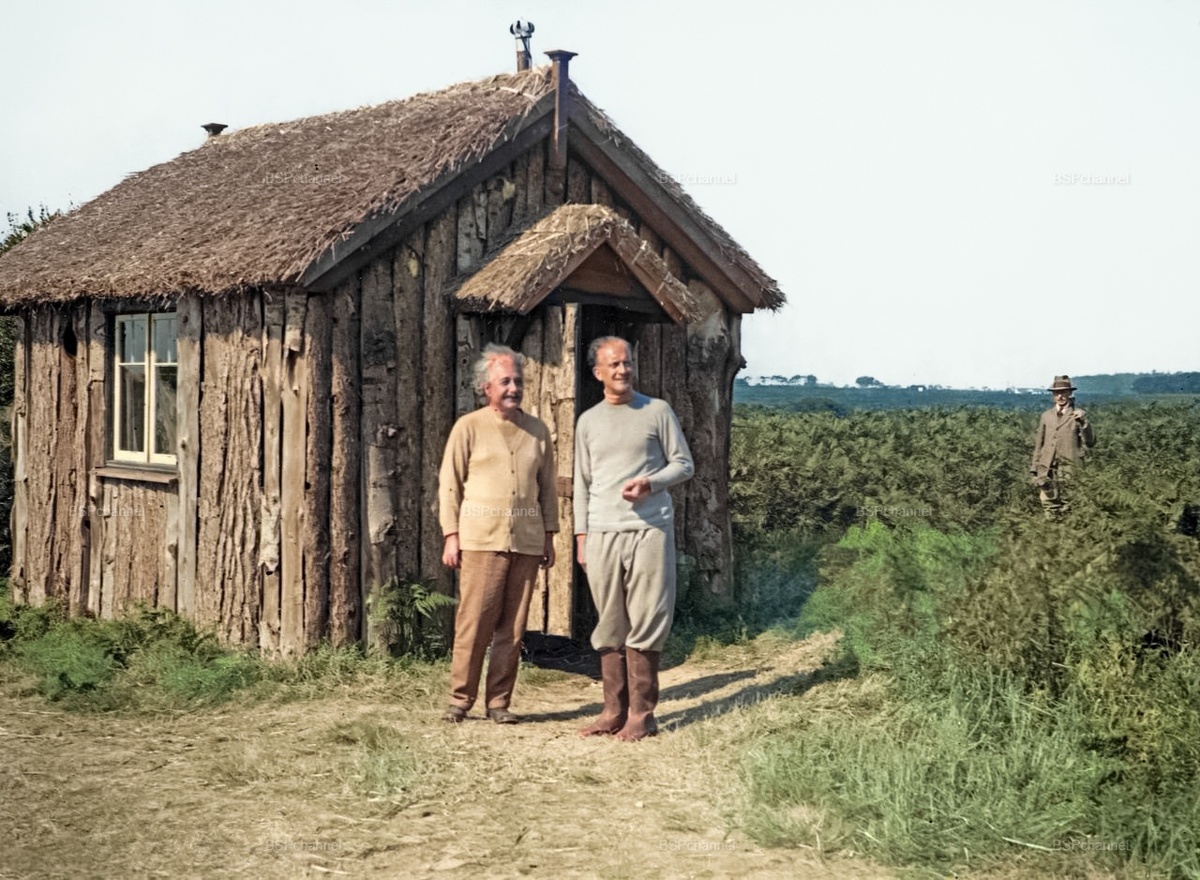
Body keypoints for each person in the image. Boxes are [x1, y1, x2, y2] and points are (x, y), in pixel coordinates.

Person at [574, 336, 694, 741]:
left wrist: (650, 483)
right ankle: (613, 711)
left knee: (647, 617)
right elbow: (582, 484)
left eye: (627, 362)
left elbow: (684, 464)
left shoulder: (657, 411)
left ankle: (642, 714)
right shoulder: (588, 421)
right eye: (614, 365)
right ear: (598, 373)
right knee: (610, 621)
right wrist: (581, 536)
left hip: (649, 529)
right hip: (602, 531)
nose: (623, 370)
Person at [439, 344, 558, 724]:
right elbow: (449, 484)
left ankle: (499, 703)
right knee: (474, 622)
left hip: (526, 541)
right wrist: (451, 534)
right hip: (481, 540)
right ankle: (460, 699)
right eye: (505, 381)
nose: (513, 388)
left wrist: (549, 535)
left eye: (518, 381)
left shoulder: (537, 431)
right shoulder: (468, 427)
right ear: (485, 387)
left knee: (513, 628)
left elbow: (547, 488)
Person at [1030, 375, 1095, 516]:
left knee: (1070, 504)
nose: (1060, 396)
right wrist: (1035, 470)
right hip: (1047, 468)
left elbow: (1090, 442)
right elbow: (1039, 444)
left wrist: (1083, 423)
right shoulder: (1046, 416)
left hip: (1070, 469)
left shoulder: (1078, 415)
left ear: (1070, 393)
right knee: (1048, 504)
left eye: (1063, 392)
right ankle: (1051, 528)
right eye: (1057, 393)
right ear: (1053, 395)